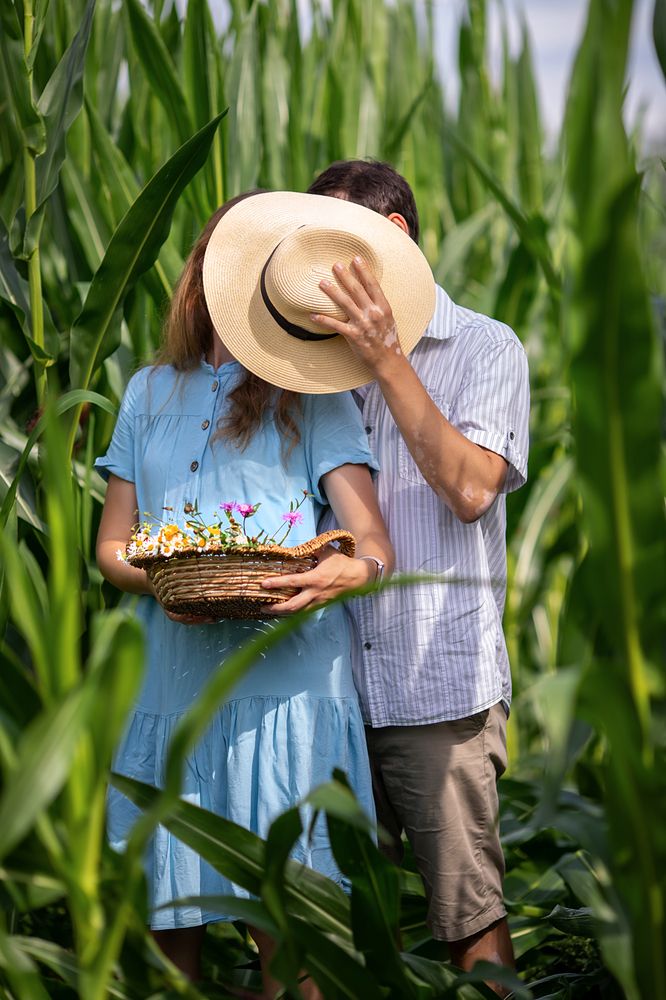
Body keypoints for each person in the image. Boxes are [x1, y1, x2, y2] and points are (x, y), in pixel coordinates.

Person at [95, 192, 397, 995]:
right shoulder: (147, 391)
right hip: (174, 692)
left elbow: (373, 546)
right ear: (202, 279)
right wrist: (161, 579)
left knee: (292, 947)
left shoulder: (316, 396)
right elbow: (111, 547)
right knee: (170, 944)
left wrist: (346, 574)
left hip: (284, 697)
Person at [271, 160, 529, 995]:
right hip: (324, 691)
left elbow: (469, 489)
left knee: (468, 920)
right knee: (321, 934)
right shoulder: (307, 373)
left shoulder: (485, 346)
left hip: (436, 693)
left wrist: (386, 356)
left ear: (395, 237)